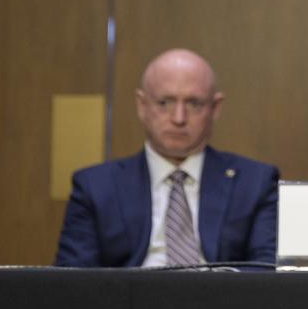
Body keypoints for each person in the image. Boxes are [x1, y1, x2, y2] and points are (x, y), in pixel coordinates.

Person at [55, 48, 278, 267]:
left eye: (194, 104)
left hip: (221, 300)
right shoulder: (96, 187)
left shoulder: (255, 183)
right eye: (164, 103)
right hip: (129, 300)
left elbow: (265, 271)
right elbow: (73, 282)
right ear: (142, 105)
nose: (179, 118)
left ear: (215, 108)